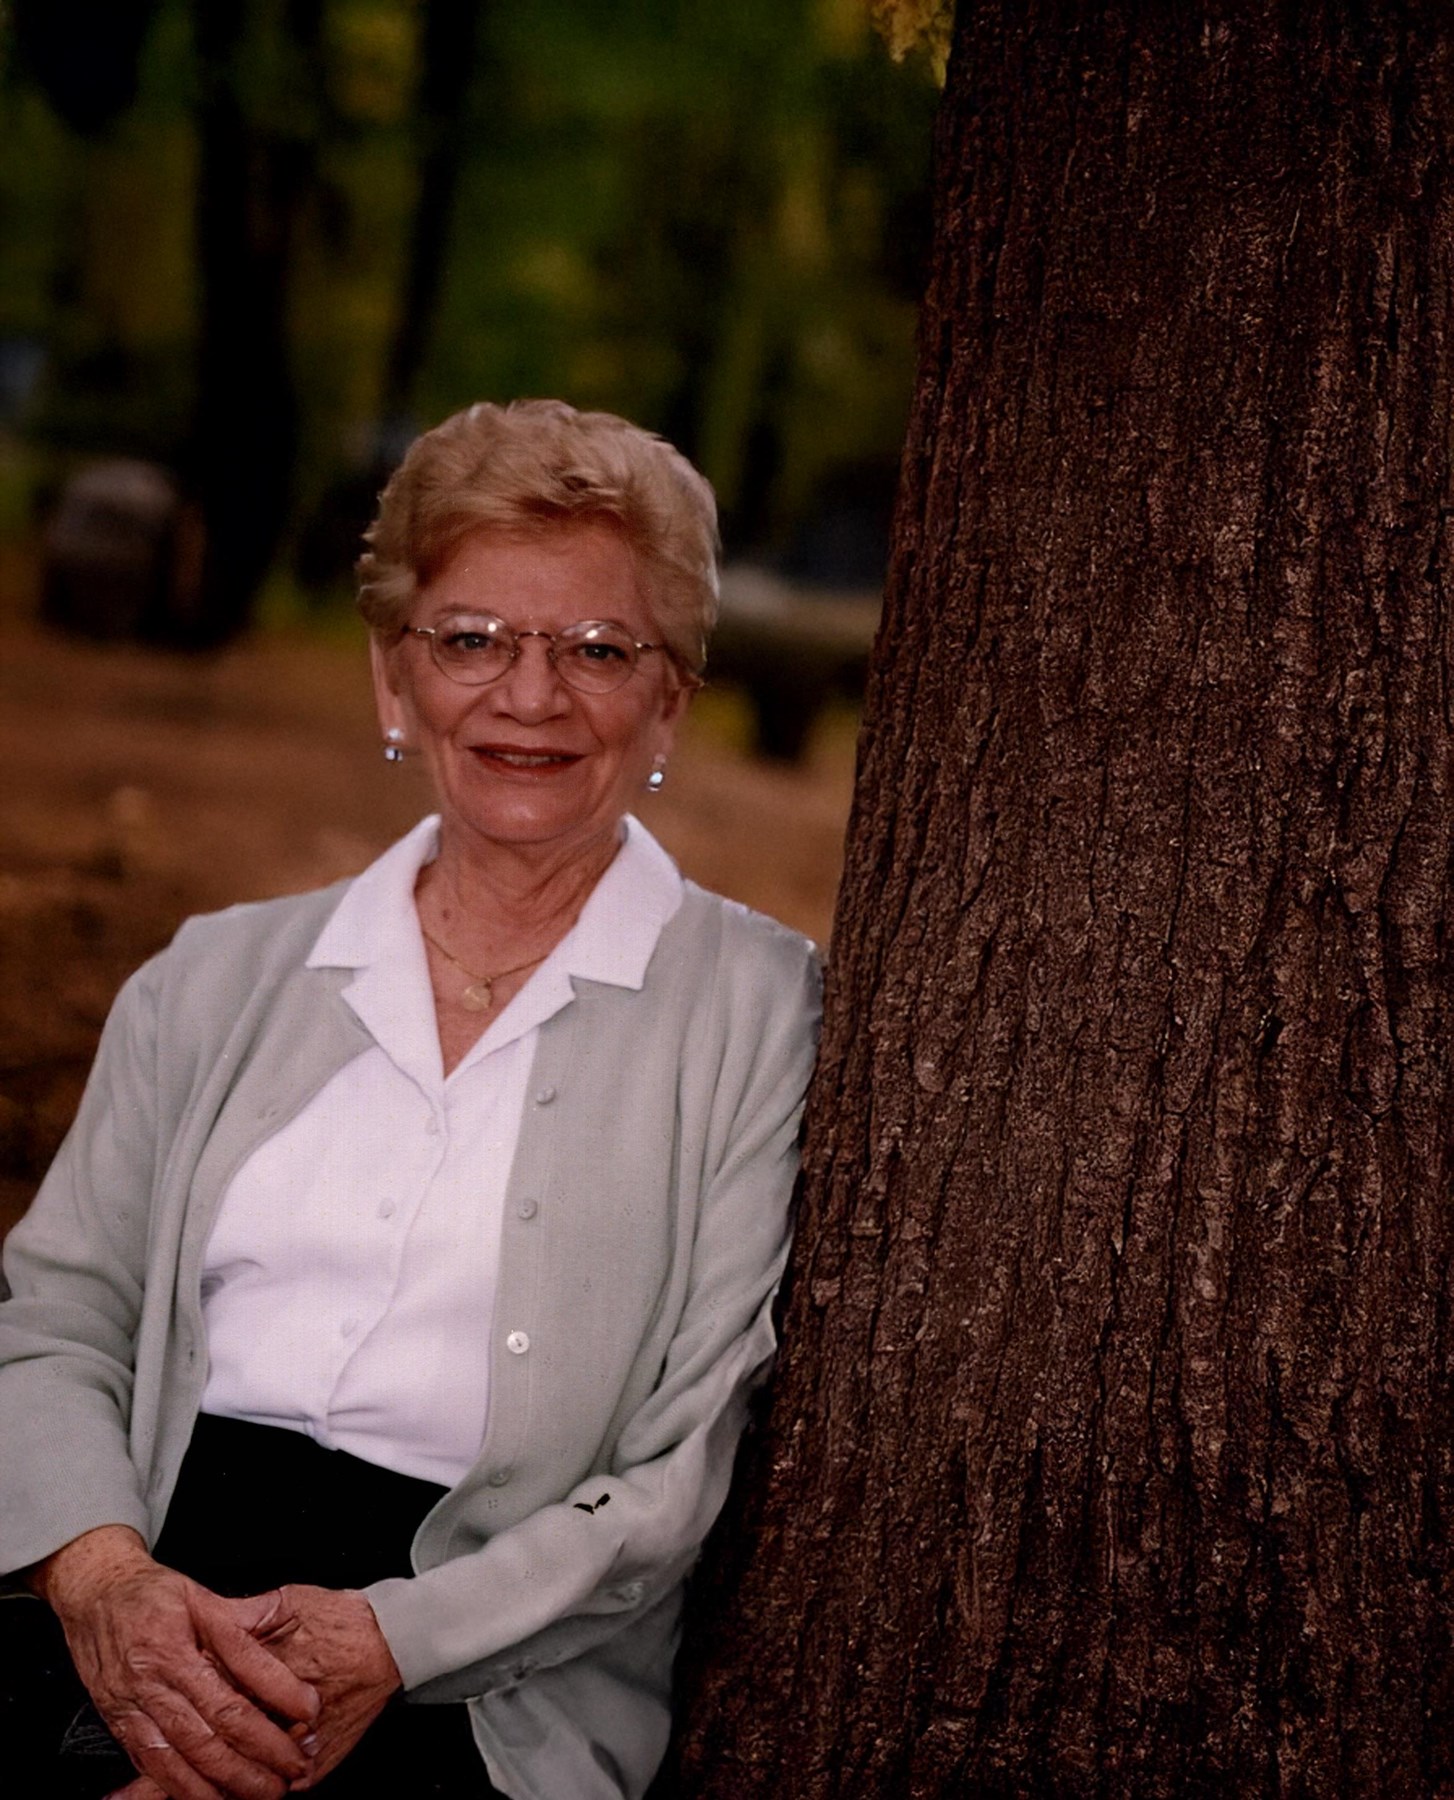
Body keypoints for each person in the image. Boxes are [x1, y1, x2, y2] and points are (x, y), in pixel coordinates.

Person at [0, 399, 822, 1800]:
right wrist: (104, 1582)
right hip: (141, 1591)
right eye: (472, 639)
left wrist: (390, 1638)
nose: (530, 696)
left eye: (598, 649)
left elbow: (679, 1461)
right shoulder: (212, 977)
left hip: (486, 1676)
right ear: (396, 680)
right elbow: (61, 1320)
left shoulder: (760, 1011)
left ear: (670, 697)